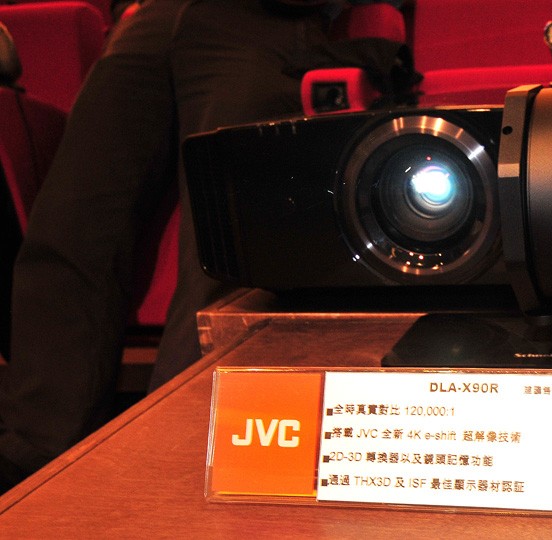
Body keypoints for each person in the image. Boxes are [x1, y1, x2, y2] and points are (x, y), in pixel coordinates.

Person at [0, 0, 410, 491]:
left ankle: (173, 450)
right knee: (70, 222)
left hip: (269, 16)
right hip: (150, 15)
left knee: (219, 245)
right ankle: (36, 452)